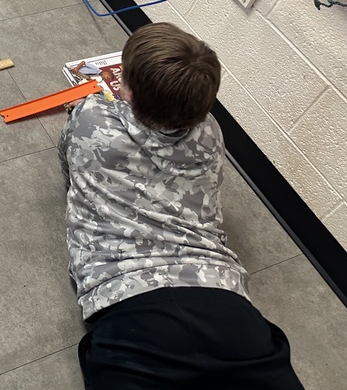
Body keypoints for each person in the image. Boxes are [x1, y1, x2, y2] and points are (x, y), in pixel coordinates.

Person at [59, 22, 304, 389]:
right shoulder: (210, 131)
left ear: (126, 90)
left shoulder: (91, 117)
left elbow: (68, 163)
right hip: (223, 300)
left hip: (128, 298)